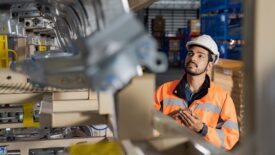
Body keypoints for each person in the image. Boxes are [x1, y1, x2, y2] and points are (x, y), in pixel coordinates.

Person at [154, 35, 239, 150]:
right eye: (190, 53)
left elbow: (230, 138)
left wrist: (202, 129)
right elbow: (142, 124)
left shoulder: (222, 98)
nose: (193, 58)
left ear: (209, 65)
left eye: (200, 56)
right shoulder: (164, 90)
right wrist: (166, 123)